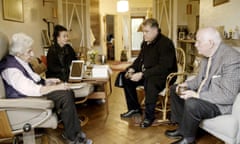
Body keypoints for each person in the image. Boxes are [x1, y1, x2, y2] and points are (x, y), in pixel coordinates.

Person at [0, 33, 92, 144]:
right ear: (19, 52)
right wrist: (56, 87)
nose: (33, 54)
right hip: (25, 99)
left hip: (32, 93)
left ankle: (70, 128)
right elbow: (32, 89)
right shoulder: (11, 69)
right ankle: (73, 138)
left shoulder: (21, 60)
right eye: (29, 51)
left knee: (67, 91)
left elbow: (33, 79)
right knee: (65, 95)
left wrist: (48, 81)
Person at [165, 27, 240, 144]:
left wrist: (197, 95)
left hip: (218, 104)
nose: (195, 44)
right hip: (203, 95)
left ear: (210, 43)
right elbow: (199, 80)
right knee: (175, 88)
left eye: (199, 41)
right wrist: (185, 84)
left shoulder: (231, 58)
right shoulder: (206, 55)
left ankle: (189, 139)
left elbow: (228, 96)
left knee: (192, 103)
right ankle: (182, 129)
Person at [120, 18, 177, 128]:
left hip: (164, 75)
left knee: (151, 82)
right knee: (125, 76)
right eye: (143, 32)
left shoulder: (166, 43)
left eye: (146, 32)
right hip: (149, 72)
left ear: (155, 30)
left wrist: (142, 74)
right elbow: (140, 59)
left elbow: (164, 67)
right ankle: (134, 109)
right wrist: (132, 69)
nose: (144, 34)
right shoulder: (146, 43)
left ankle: (149, 117)